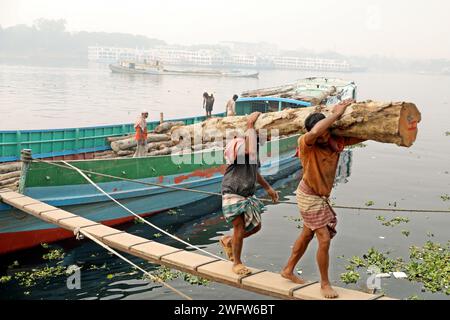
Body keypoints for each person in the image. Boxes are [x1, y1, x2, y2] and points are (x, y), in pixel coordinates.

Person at [281, 99, 365, 299]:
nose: (324, 137)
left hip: (319, 197)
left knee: (307, 235)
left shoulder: (335, 142)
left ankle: (288, 269)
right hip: (309, 196)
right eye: (322, 134)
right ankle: (325, 284)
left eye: (328, 133)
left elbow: (363, 135)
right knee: (324, 239)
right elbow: (315, 133)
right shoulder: (306, 143)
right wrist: (336, 113)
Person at [219, 112, 279, 276]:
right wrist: (251, 125)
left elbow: (255, 171)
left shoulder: (254, 147)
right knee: (239, 227)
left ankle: (229, 241)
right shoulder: (237, 143)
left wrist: (268, 188)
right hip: (233, 189)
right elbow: (249, 152)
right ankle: (237, 263)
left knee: (256, 226)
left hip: (247, 193)